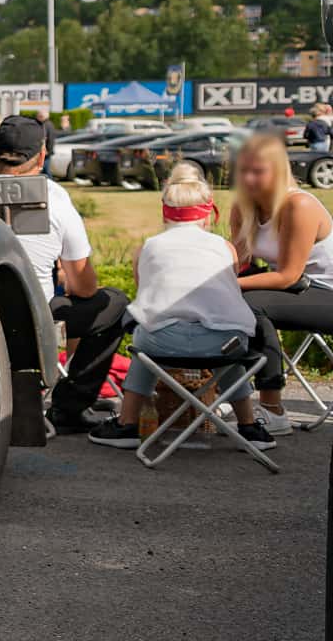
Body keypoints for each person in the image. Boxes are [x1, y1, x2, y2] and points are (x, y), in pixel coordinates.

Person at [89, 164, 270, 450]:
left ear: (165, 211)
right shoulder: (225, 247)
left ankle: (127, 424)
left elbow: (145, 295)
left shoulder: (148, 247)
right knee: (229, 346)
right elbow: (229, 292)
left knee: (144, 337)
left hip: (163, 345)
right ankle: (249, 428)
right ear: (208, 213)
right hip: (221, 345)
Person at [0, 115, 126, 431]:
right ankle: (68, 407)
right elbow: (85, 287)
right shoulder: (56, 198)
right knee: (114, 303)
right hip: (34, 323)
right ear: (42, 156)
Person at [229, 131, 333, 439]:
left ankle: (273, 408)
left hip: (324, 291)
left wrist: (231, 285)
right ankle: (226, 392)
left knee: (252, 304)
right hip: (294, 289)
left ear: (279, 170)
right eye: (243, 170)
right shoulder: (243, 207)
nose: (248, 178)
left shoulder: (298, 205)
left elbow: (287, 275)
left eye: (258, 171)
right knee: (218, 298)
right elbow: (239, 261)